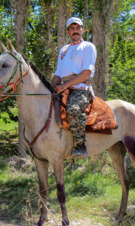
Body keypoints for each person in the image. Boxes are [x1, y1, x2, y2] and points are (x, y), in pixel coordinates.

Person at [52, 17, 97, 159]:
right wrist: (51, 88)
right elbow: (58, 73)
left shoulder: (88, 47)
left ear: (83, 30)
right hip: (63, 88)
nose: (75, 31)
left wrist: (65, 85)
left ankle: (80, 146)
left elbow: (86, 72)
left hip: (81, 88)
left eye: (78, 28)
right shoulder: (64, 50)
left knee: (73, 110)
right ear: (68, 31)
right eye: (72, 28)